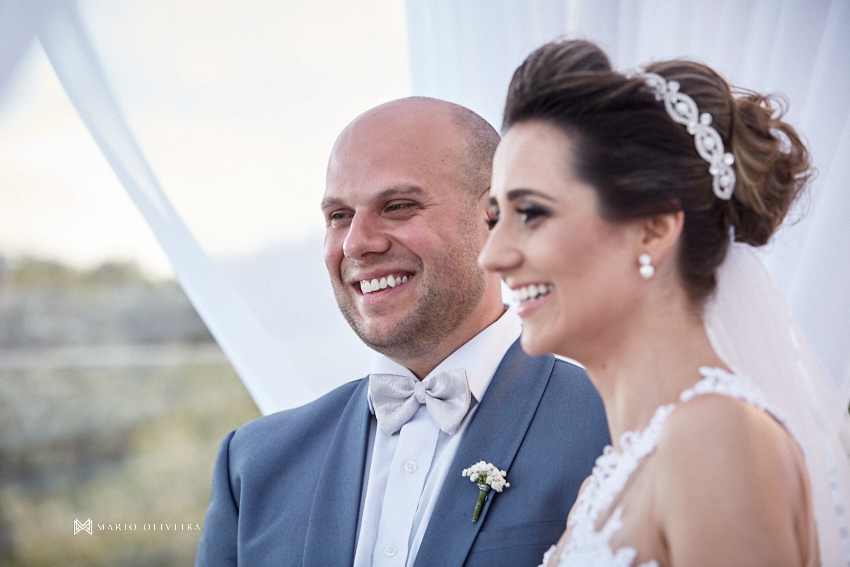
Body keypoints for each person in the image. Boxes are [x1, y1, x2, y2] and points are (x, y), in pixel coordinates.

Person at [195, 96, 611, 566]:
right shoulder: (253, 466)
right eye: (339, 216)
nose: (357, 243)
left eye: (397, 206)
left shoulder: (616, 430)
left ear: (494, 217)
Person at [480, 39, 850, 566]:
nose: (491, 256)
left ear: (653, 230)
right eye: (496, 217)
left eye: (532, 212)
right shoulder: (607, 484)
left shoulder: (714, 441)